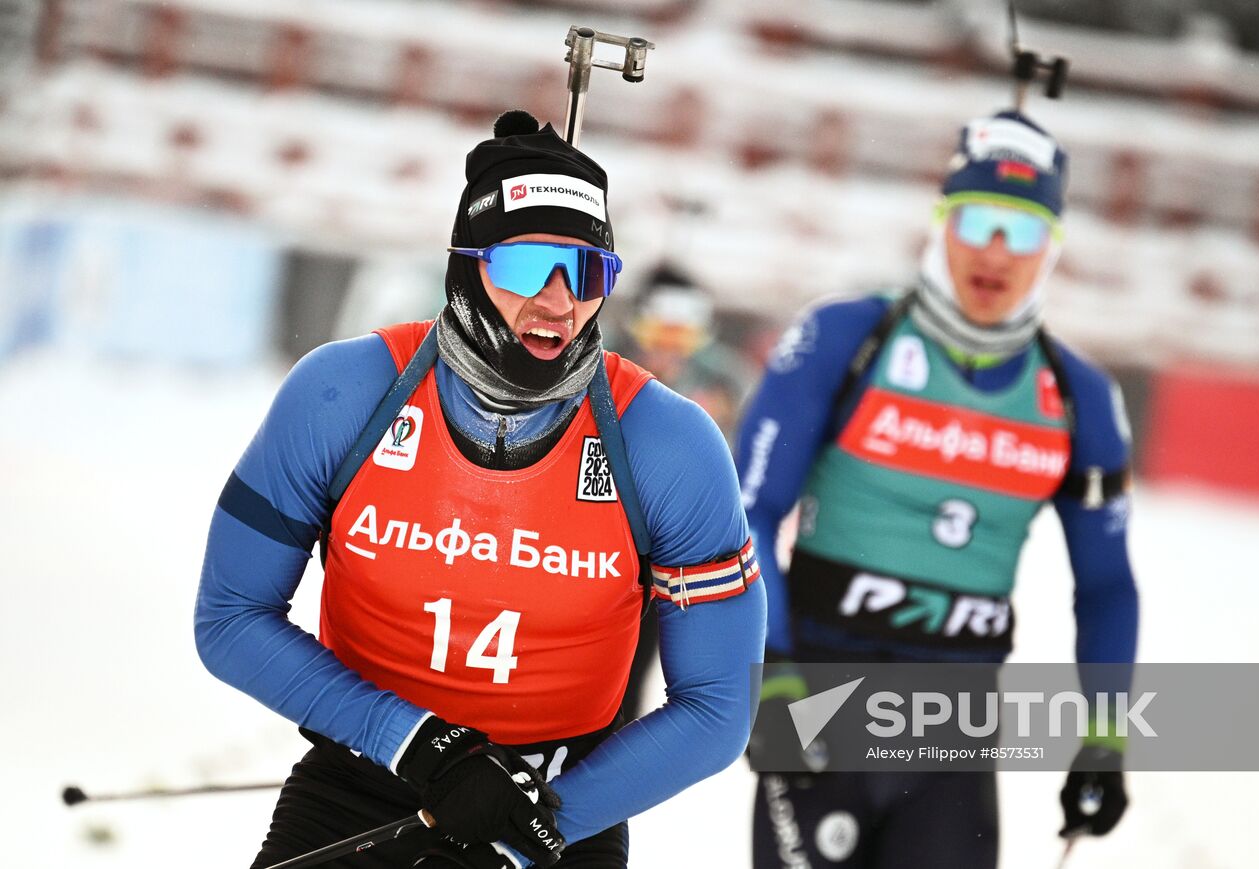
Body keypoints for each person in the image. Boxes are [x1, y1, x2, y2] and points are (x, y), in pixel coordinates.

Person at [196, 110, 765, 869]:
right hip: (360, 780)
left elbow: (719, 709)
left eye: (588, 273)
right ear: (467, 264)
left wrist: (541, 819)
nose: (560, 303)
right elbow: (229, 618)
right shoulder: (345, 394)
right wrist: (416, 743)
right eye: (530, 267)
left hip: (555, 811)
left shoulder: (669, 443)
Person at [736, 109, 1139, 868]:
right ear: (941, 224)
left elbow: (1109, 585)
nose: (995, 253)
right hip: (819, 699)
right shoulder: (846, 339)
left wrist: (1106, 738)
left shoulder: (1077, 395)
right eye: (977, 221)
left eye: (1021, 231)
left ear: (1050, 248)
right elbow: (744, 513)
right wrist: (771, 668)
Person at [609, 263, 757, 721]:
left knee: (633, 682)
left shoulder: (721, 383)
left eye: (684, 338)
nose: (669, 351)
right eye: (659, 334)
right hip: (594, 549)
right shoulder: (598, 367)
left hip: (666, 559)